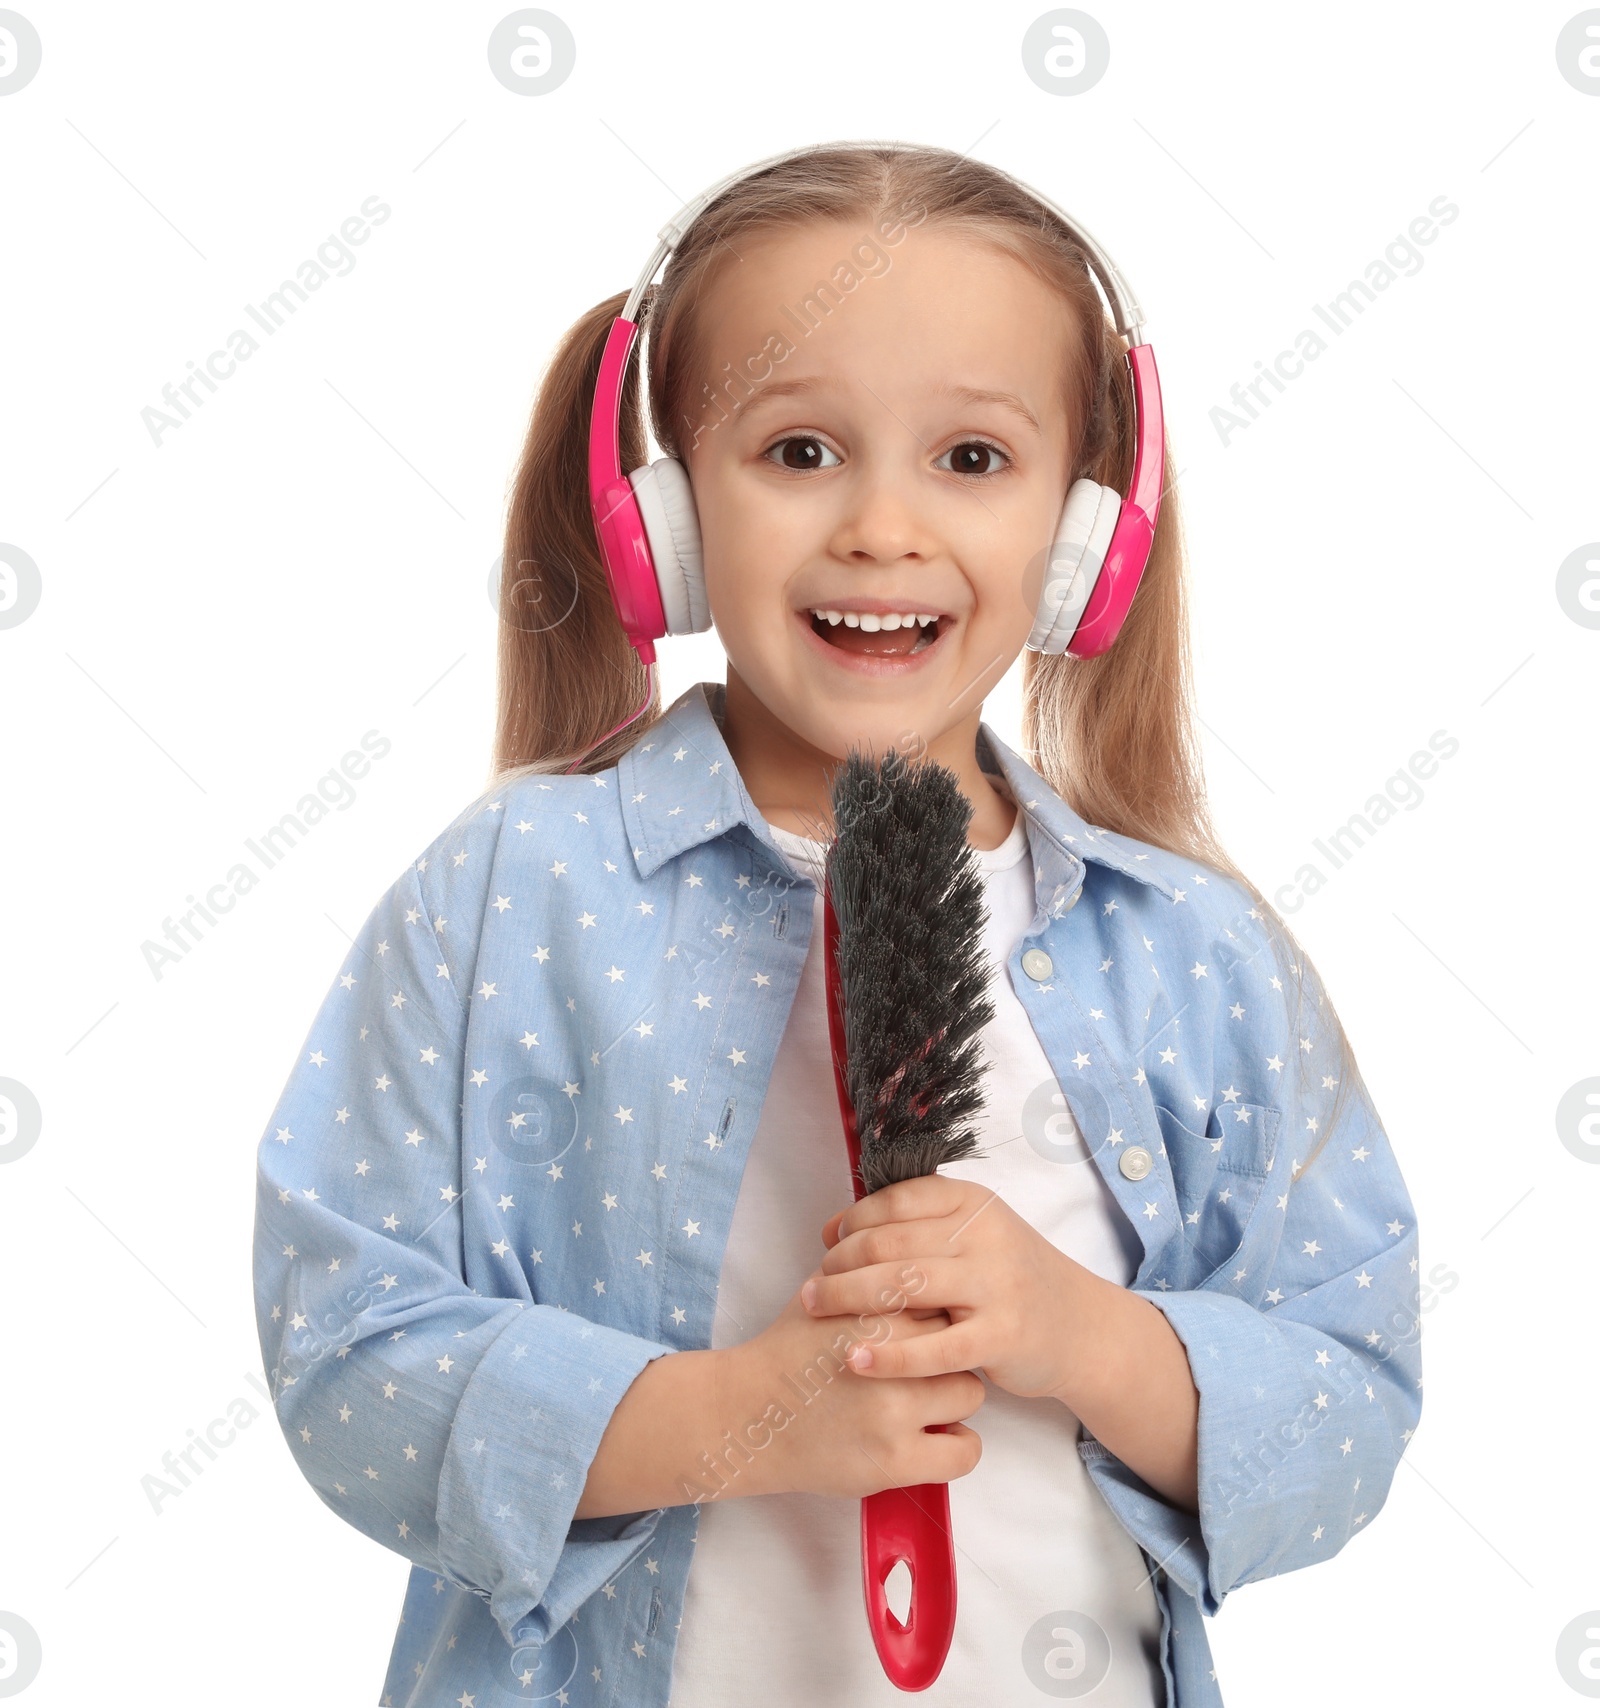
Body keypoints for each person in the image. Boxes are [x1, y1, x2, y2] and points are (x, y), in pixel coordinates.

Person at [252, 141, 1422, 1708]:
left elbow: (1349, 1385)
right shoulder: (513, 894)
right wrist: (732, 1415)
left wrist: (1081, 1335)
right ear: (658, 515)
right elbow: (347, 1346)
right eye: (799, 452)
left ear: (1088, 540)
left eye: (973, 459)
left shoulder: (1189, 952)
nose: (883, 526)